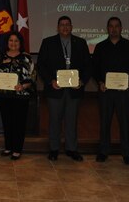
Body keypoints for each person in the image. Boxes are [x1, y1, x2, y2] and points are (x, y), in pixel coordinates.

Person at [37, 16, 91, 162]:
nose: (65, 27)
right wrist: (50, 81)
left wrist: (82, 81)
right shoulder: (48, 42)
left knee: (72, 120)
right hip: (55, 88)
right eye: (62, 25)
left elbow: (88, 66)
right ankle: (54, 149)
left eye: (67, 25)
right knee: (54, 120)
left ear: (72, 27)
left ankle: (71, 149)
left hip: (74, 89)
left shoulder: (80, 43)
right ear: (57, 27)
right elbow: (41, 65)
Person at [92, 17, 129, 165]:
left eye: (116, 26)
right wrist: (100, 82)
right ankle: (103, 151)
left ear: (121, 28)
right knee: (105, 122)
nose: (114, 29)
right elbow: (95, 68)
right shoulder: (100, 47)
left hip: (123, 92)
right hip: (105, 91)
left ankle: (127, 153)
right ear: (107, 29)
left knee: (125, 123)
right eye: (111, 26)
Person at [0, 31, 35, 160]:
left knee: (19, 123)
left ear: (20, 43)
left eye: (16, 41)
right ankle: (8, 147)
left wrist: (23, 86)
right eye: (11, 40)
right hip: (4, 96)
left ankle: (17, 149)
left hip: (21, 96)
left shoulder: (26, 58)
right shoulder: (0, 57)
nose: (13, 43)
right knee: (7, 122)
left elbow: (32, 76)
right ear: (7, 42)